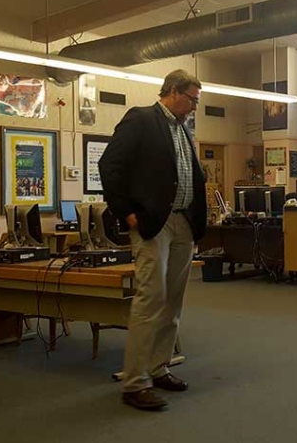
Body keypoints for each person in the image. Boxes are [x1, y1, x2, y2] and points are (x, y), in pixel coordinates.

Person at [99, 69, 207, 411]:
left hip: (183, 222)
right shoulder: (141, 119)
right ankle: (135, 383)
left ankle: (159, 368)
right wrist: (125, 211)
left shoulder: (183, 130)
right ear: (173, 91)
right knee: (150, 299)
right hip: (154, 225)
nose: (194, 108)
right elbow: (109, 165)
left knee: (173, 302)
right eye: (192, 100)